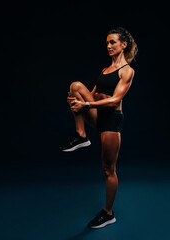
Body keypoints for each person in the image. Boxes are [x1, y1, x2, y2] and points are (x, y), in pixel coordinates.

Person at [60, 27, 138, 229]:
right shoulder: (105, 70)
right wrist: (76, 101)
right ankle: (81, 135)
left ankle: (108, 213)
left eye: (113, 42)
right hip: (97, 114)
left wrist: (85, 106)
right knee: (76, 86)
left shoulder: (127, 70)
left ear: (123, 44)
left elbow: (114, 100)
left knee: (108, 169)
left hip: (112, 120)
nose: (109, 46)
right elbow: (93, 95)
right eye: (107, 43)